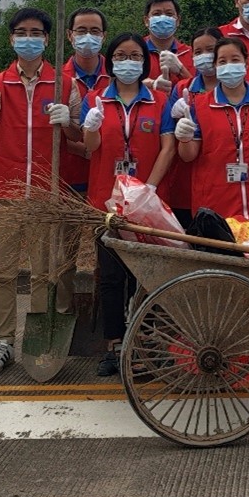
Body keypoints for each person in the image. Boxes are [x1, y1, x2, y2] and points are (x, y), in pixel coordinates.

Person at [0, 7, 79, 376]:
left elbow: (80, 133)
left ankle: (40, 341)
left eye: (36, 32)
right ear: (11, 38)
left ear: (47, 39)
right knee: (2, 272)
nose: (28, 38)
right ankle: (1, 341)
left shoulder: (65, 84)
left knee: (44, 272)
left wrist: (69, 122)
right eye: (22, 32)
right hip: (4, 188)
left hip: (46, 191)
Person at [82, 32, 177, 376]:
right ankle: (114, 345)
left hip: (147, 203)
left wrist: (149, 189)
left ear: (145, 61)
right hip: (106, 201)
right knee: (110, 276)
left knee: (146, 274)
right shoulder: (95, 99)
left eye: (135, 55)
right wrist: (91, 127)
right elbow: (90, 146)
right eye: (121, 55)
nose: (128, 61)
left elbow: (169, 147)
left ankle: (145, 343)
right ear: (110, 61)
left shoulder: (160, 101)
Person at [175, 36, 249, 221]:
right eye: (222, 61)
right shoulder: (200, 105)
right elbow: (188, 155)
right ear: (215, 66)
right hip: (214, 203)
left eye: (235, 59)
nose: (229, 65)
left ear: (246, 63)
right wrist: (184, 139)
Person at [51, 7, 111, 313]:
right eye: (81, 31)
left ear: (104, 36)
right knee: (65, 253)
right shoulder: (56, 79)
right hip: (70, 178)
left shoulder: (116, 76)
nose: (88, 37)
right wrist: (79, 145)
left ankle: (105, 313)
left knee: (109, 253)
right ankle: (63, 310)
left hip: (108, 181)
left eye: (95, 31)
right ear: (70, 35)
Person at [163, 26, 222, 228]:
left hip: (222, 177)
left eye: (210, 50)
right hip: (185, 178)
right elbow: (168, 132)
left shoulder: (235, 89)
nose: (205, 56)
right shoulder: (182, 88)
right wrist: (176, 118)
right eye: (198, 52)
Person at [140, 0, 193, 93]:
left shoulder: (191, 54)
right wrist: (151, 85)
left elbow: (203, 92)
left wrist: (181, 70)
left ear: (178, 20)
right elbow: (120, 87)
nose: (162, 18)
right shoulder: (135, 51)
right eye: (157, 14)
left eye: (169, 14)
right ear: (146, 21)